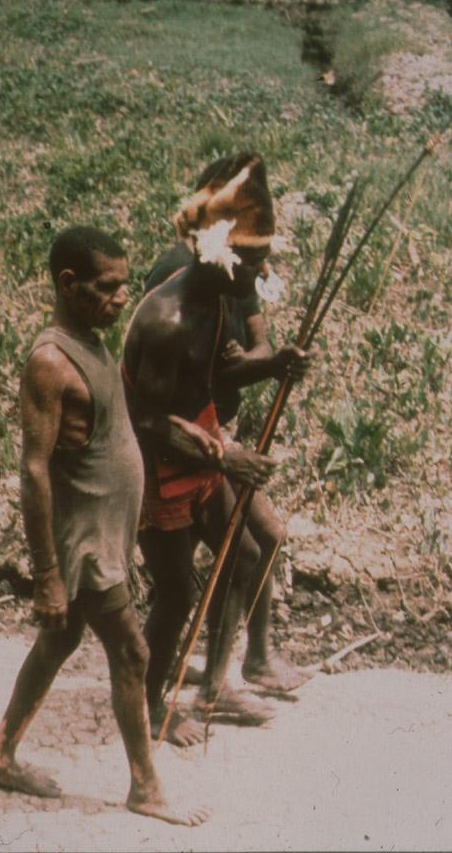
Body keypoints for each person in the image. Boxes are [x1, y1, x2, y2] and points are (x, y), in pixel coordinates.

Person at [0, 225, 208, 827]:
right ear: (68, 285)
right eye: (107, 288)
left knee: (60, 641)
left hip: (106, 537)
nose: (119, 299)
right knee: (132, 652)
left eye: (124, 287)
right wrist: (48, 575)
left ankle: (1, 754)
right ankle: (145, 787)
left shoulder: (98, 344)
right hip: (81, 547)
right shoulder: (51, 363)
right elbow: (34, 470)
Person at [122, 153, 308, 748]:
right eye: (254, 258)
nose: (264, 267)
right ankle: (149, 709)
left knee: (247, 554)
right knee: (175, 593)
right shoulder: (169, 316)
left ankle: (214, 686)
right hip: (154, 463)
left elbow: (222, 369)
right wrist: (224, 457)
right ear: (218, 253)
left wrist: (273, 364)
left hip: (199, 447)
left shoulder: (222, 296)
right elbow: (145, 419)